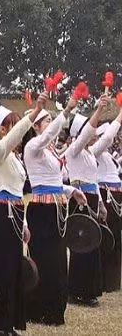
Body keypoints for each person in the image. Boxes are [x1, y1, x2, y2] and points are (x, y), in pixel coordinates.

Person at [23, 88, 87, 325]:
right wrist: (66, 112)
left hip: (56, 210)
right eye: (47, 121)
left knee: (58, 260)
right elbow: (48, 136)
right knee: (44, 261)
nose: (51, 124)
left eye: (51, 119)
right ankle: (39, 307)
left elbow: (54, 183)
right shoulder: (33, 148)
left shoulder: (49, 152)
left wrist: (72, 191)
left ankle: (54, 308)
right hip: (41, 212)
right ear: (37, 126)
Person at [0, 94, 46, 335]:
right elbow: (12, 138)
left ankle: (9, 323)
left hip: (16, 214)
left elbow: (19, 192)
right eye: (10, 125)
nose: (15, 133)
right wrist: (33, 113)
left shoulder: (16, 159)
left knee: (14, 271)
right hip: (0, 215)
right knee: (1, 270)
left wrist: (25, 224)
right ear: (1, 129)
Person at [66, 97, 109, 307]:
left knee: (93, 244)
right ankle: (76, 290)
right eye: (90, 131)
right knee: (81, 245)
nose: (94, 134)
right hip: (79, 199)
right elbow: (85, 134)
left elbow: (95, 180)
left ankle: (90, 290)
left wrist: (100, 204)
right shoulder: (73, 151)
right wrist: (99, 110)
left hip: (91, 197)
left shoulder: (90, 154)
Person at [95, 107, 122, 292]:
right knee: (108, 237)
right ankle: (105, 278)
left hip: (116, 195)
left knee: (116, 238)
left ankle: (113, 280)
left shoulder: (109, 157)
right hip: (107, 195)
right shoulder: (95, 152)